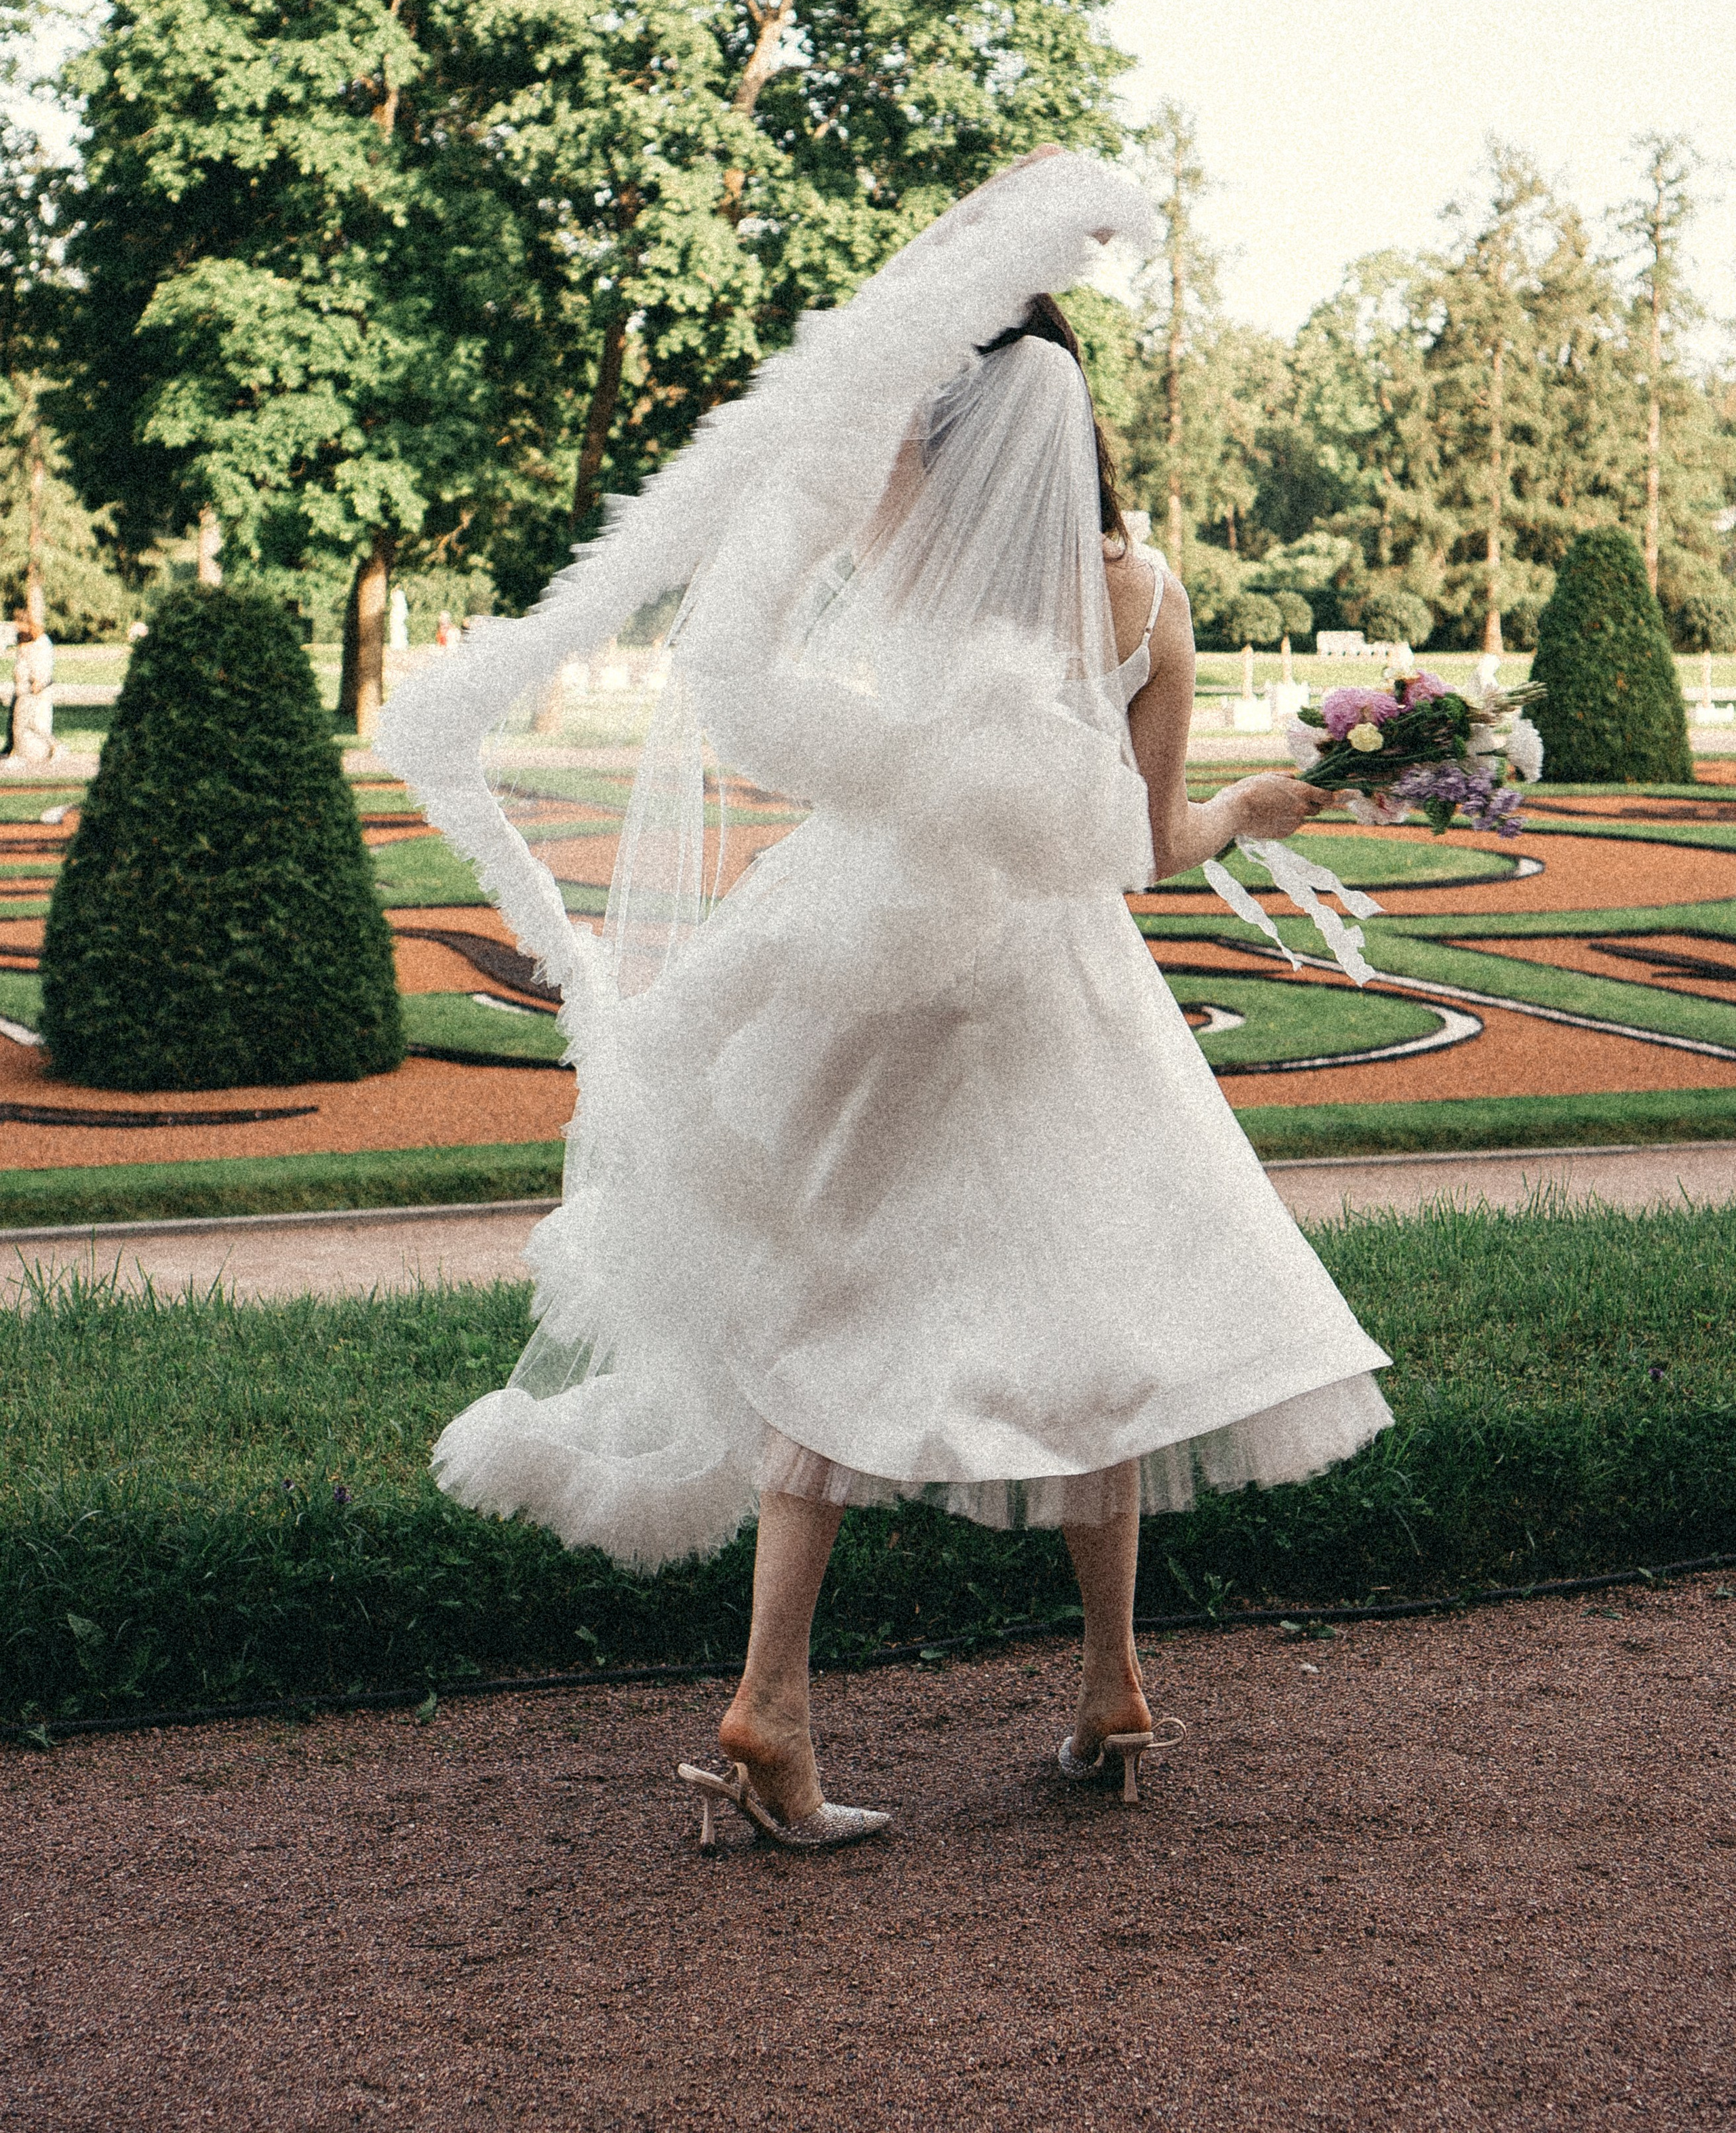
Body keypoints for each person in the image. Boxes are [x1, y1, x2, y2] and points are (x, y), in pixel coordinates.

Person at [377, 150, 1392, 1852]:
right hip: (1055, 979)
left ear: (934, 412)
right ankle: (1111, 1682)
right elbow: (1146, 849)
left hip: (865, 947)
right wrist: (1250, 809)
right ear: (1076, 426)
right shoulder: (1145, 600)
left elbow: (758, 666)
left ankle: (771, 1698)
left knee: (822, 1294)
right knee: (1100, 1317)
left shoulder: (894, 543)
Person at [4, 613, 56, 766]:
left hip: (29, 690)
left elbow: (40, 667)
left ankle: (51, 748)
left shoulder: (39, 644)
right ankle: (17, 752)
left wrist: (38, 682)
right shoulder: (25, 642)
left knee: (26, 725)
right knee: (21, 725)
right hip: (21, 689)